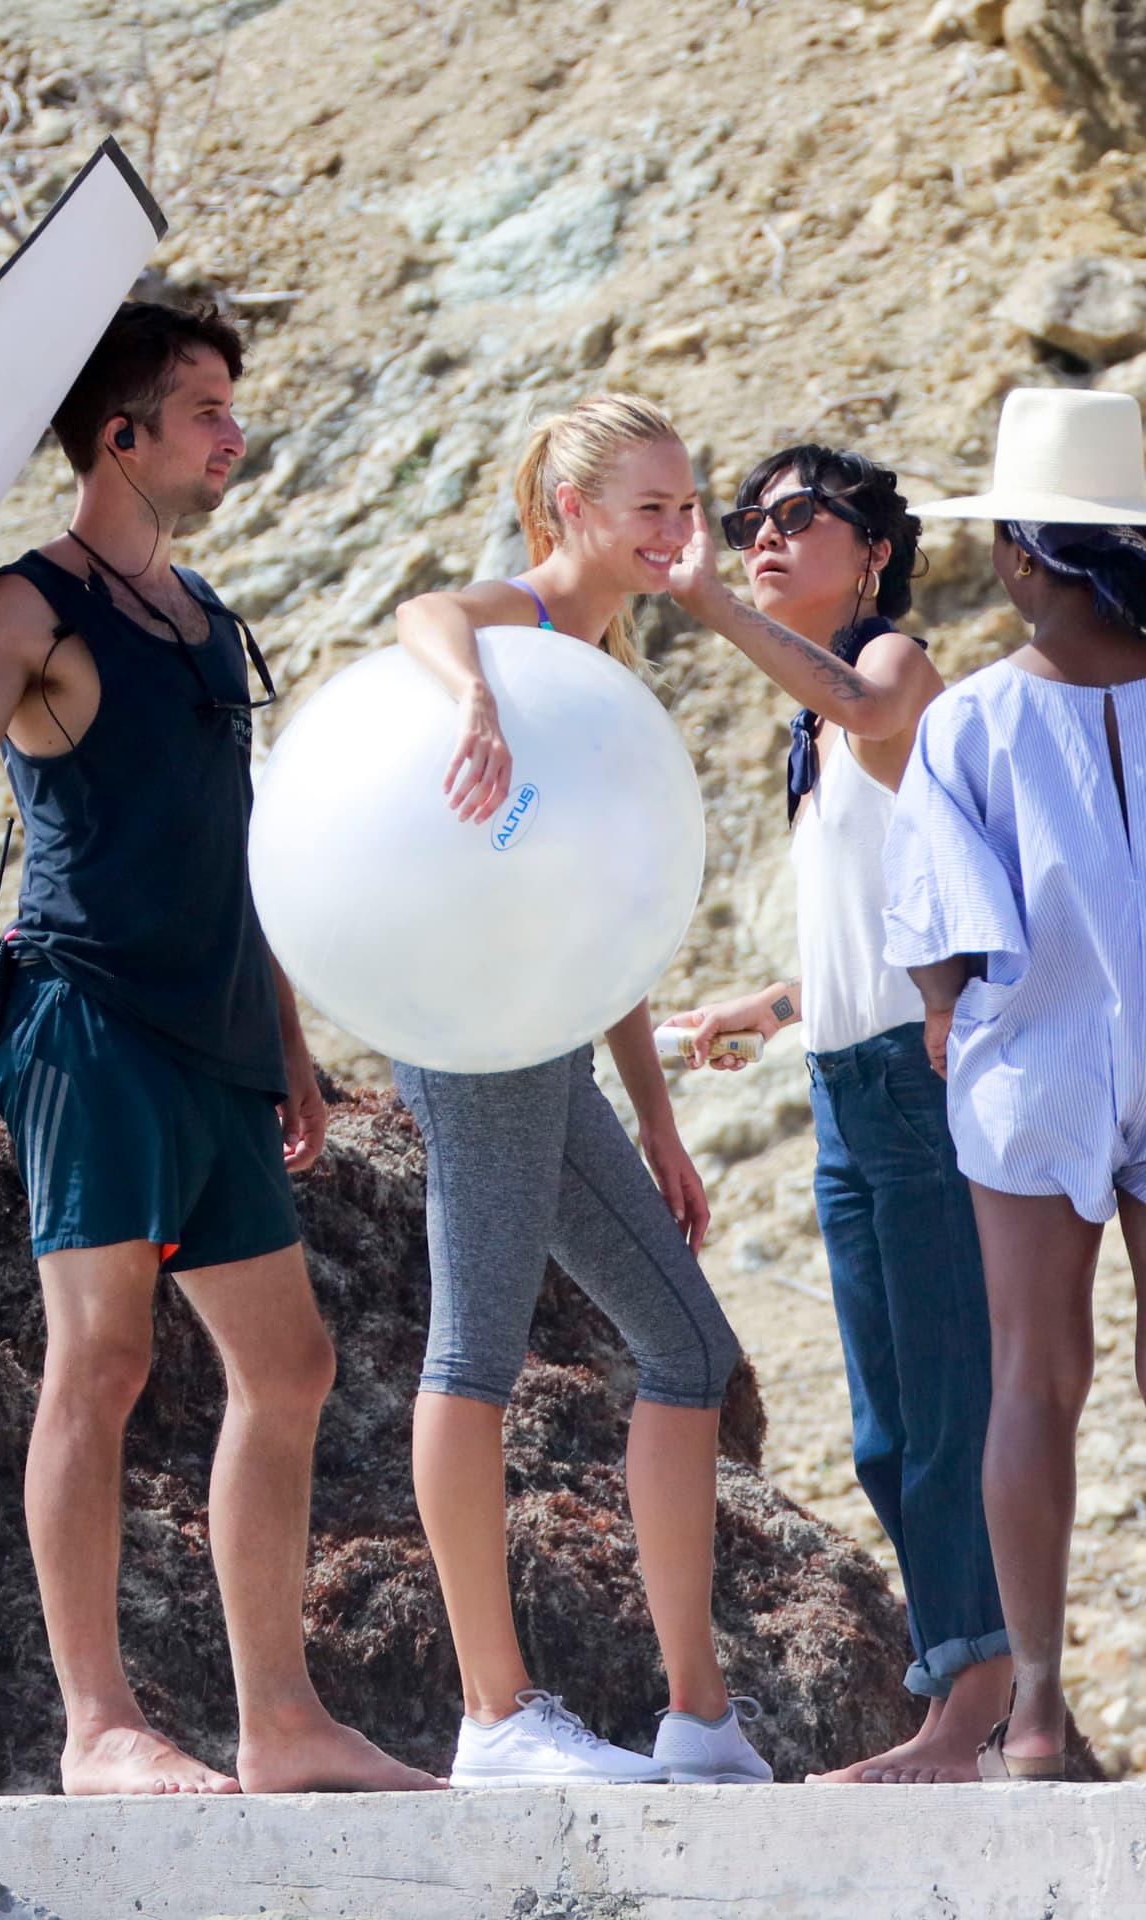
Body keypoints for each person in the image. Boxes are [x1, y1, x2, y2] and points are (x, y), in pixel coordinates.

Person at [0, 300, 440, 1798]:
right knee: (104, 1357)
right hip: (86, 1019)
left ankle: (279, 1723)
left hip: (218, 1033)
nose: (232, 435)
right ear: (118, 435)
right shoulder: (30, 608)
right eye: (204, 411)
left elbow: (240, 849)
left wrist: (290, 1041)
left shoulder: (204, 615)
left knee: (292, 1363)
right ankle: (97, 1725)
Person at [392, 392, 771, 1788]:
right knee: (472, 1346)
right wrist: (480, 688)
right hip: (467, 1016)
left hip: (550, 1032)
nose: (684, 531)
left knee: (688, 1348)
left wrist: (659, 1124)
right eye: (655, 509)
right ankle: (495, 1717)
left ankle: (699, 1720)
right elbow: (427, 608)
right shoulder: (530, 626)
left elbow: (605, 917)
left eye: (691, 505)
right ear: (576, 517)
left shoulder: (611, 664)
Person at [664, 444, 1010, 1783]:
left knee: (943, 1412)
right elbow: (884, 918)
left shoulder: (894, 670)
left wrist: (708, 604)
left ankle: (969, 1713)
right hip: (848, 1082)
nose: (762, 534)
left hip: (919, 1098)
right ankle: (961, 1702)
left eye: (799, 516)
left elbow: (873, 715)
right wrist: (768, 1005)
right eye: (750, 519)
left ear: (872, 552)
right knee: (883, 1430)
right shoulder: (808, 725)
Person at [882, 387, 1146, 1781]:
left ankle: (1034, 1712)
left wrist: (944, 1020)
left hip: (1034, 1069)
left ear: (1027, 556)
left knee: (1036, 1379)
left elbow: (940, 934)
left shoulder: (974, 718)